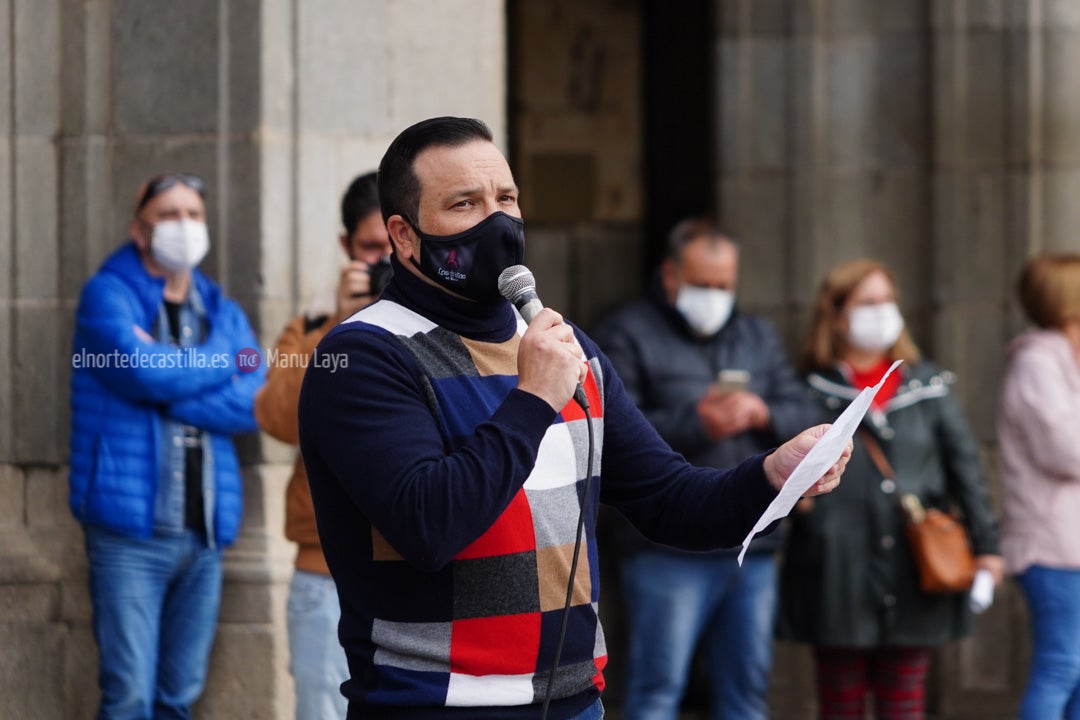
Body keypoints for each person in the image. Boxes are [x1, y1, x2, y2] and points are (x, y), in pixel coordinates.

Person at [297, 116, 850, 720]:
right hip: (434, 705)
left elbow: (668, 498)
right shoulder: (362, 356)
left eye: (506, 198)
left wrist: (771, 473)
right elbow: (429, 526)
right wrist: (533, 399)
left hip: (572, 701)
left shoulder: (568, 350)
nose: (497, 222)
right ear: (404, 237)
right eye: (465, 204)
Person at [592, 218, 819, 720]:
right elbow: (611, 430)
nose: (715, 296)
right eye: (703, 285)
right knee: (657, 689)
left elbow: (804, 411)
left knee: (746, 692)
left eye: (724, 286)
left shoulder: (756, 335)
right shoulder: (626, 331)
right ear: (670, 277)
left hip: (752, 547)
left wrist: (763, 413)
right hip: (662, 549)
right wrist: (697, 422)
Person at [68, 173, 265, 718]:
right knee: (128, 696)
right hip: (130, 533)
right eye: (168, 215)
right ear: (139, 230)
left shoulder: (219, 310)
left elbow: (256, 394)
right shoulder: (107, 295)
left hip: (204, 533)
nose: (184, 226)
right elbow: (140, 370)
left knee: (179, 698)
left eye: (193, 214)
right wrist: (216, 364)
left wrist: (168, 382)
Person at [776, 258, 1004, 719]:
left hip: (913, 562)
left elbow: (966, 470)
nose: (882, 312)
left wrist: (987, 545)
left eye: (887, 301)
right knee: (840, 703)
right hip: (836, 567)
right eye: (867, 303)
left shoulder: (928, 385)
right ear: (837, 315)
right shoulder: (808, 389)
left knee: (904, 703)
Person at [255, 171, 392, 719]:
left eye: (394, 244)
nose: (386, 260)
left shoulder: (446, 324)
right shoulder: (313, 325)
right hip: (326, 577)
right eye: (370, 248)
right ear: (346, 248)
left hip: (423, 573)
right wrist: (339, 323)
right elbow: (276, 416)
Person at [998, 254, 1080, 720]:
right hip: (1051, 546)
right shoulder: (1037, 363)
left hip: (1072, 546)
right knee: (1060, 665)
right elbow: (1066, 450)